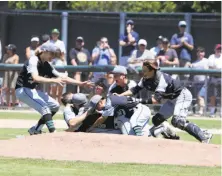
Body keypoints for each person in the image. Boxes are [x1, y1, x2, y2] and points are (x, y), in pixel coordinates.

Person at [117, 60, 213, 143]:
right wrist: (120, 96)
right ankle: (171, 136)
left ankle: (204, 136)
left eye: (145, 70)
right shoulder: (145, 79)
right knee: (156, 120)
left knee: (178, 121)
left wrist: (137, 100)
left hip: (182, 96)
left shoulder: (161, 79)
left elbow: (155, 100)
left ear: (152, 70)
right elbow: (134, 90)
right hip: (171, 99)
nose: (143, 72)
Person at [15, 43, 93, 135]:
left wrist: (81, 83)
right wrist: (54, 81)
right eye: (52, 54)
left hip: (31, 90)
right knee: (45, 108)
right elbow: (35, 78)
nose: (53, 56)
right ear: (44, 51)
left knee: (55, 105)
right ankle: (53, 132)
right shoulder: (34, 60)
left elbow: (62, 77)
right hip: (23, 90)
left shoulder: (46, 65)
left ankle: (35, 129)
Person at [109, 65, 179, 139]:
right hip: (126, 114)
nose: (114, 78)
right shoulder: (113, 87)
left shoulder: (132, 85)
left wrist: (119, 98)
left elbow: (133, 102)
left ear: (123, 76)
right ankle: (161, 128)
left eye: (116, 75)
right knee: (144, 135)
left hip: (138, 111)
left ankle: (154, 132)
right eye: (113, 76)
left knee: (132, 133)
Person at [187, 47, 209, 116]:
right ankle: (200, 111)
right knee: (198, 97)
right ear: (197, 53)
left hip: (204, 82)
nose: (200, 53)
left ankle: (201, 111)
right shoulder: (194, 63)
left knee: (200, 96)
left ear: (204, 53)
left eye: (202, 52)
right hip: (196, 83)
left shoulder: (207, 61)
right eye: (199, 52)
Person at [46, 29, 67, 103]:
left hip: (60, 65)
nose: (55, 35)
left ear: (58, 35)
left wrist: (64, 64)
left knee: (60, 87)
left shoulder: (61, 43)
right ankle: (54, 103)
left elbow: (63, 54)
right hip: (52, 65)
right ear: (51, 34)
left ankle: (59, 103)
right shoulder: (49, 43)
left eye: (56, 34)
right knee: (53, 88)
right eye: (53, 34)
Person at [207, 44, 222, 117]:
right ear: (215, 50)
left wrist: (216, 68)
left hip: (221, 77)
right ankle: (212, 112)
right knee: (213, 95)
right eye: (218, 49)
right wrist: (217, 68)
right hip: (213, 77)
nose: (219, 50)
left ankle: (221, 112)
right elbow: (210, 67)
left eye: (220, 49)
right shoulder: (211, 56)